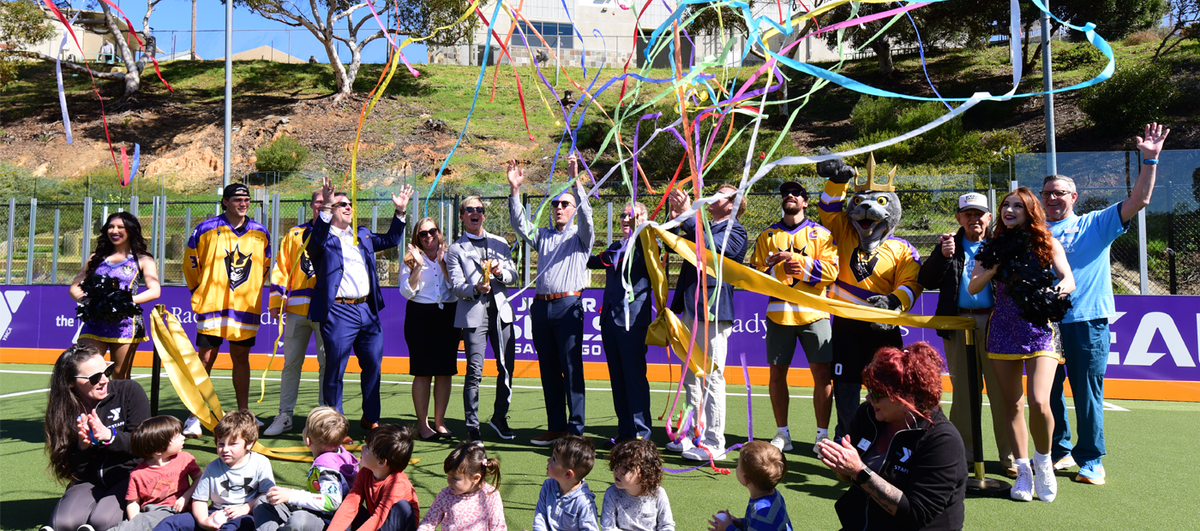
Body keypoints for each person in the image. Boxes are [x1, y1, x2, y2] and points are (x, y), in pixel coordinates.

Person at [1044, 123, 1170, 485]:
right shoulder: (1032, 230)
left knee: (1086, 391)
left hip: (1086, 320)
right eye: (1047, 193)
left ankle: (1091, 460)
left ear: (1074, 196)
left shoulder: (1095, 224)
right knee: (1046, 394)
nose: (1052, 198)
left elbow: (1139, 201)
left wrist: (1150, 160)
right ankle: (1059, 450)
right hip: (1043, 325)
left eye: (1060, 193)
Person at [968, 187, 1075, 502]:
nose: (1009, 210)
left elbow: (1068, 278)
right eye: (1005, 205)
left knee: (1040, 402)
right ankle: (1023, 471)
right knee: (1011, 404)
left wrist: (1058, 292)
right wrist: (995, 266)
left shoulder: (1047, 243)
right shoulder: (992, 247)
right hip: (1002, 328)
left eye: (1017, 206)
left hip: (1040, 326)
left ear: (1031, 211)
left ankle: (1044, 463)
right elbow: (974, 286)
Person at [916, 192, 1015, 478]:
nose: (974, 219)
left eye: (979, 213)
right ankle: (966, 456)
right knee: (964, 395)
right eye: (967, 214)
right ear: (958, 217)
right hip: (958, 324)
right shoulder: (949, 245)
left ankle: (1009, 457)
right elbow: (926, 280)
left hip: (997, 325)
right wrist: (942, 256)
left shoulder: (1001, 245)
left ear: (988, 217)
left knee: (1002, 393)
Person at [818, 342, 966, 531]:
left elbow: (916, 514)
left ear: (907, 401)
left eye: (877, 394)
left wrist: (859, 471)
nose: (868, 398)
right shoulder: (869, 415)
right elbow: (848, 476)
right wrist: (841, 464)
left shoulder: (942, 441)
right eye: (868, 390)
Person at [307, 177, 413, 430]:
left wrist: (400, 212)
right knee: (335, 370)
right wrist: (324, 207)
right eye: (341, 204)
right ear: (330, 209)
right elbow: (314, 244)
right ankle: (335, 426)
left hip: (367, 310)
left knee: (374, 366)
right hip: (339, 311)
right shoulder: (320, 237)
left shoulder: (362, 234)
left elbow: (390, 241)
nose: (347, 207)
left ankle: (371, 418)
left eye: (349, 204)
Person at [508, 154, 595, 445]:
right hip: (542, 306)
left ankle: (576, 430)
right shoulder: (543, 235)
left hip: (568, 306)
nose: (558, 208)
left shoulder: (581, 237)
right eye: (556, 204)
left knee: (571, 369)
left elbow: (587, 217)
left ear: (573, 209)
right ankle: (556, 427)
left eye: (564, 204)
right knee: (548, 369)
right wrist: (515, 191)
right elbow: (520, 225)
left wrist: (576, 181)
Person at [747, 182, 838, 454]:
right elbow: (755, 277)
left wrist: (799, 265)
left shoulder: (821, 233)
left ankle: (822, 436)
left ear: (805, 202)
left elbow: (833, 271)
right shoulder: (767, 235)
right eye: (785, 192)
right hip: (779, 315)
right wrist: (777, 270)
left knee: (823, 376)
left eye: (797, 193)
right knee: (776, 376)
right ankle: (782, 434)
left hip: (815, 314)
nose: (790, 195)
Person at [664, 185, 748, 461]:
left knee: (711, 378)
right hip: (690, 309)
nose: (710, 198)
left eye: (718, 195)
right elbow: (671, 242)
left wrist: (689, 214)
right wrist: (676, 215)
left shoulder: (736, 231)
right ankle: (690, 434)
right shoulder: (701, 227)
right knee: (690, 378)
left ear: (733, 204)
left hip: (712, 312)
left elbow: (710, 247)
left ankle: (714, 441)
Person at [182, 183, 271, 436]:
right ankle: (195, 415)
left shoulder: (260, 232)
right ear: (225, 202)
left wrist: (251, 292)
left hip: (245, 307)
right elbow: (191, 264)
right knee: (205, 359)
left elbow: (263, 267)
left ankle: (244, 414)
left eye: (246, 199)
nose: (243, 203)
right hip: (213, 304)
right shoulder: (206, 228)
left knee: (241, 358)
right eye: (237, 199)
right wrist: (202, 290)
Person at [42, 344, 151, 531]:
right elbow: (68, 468)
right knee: (62, 523)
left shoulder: (129, 391)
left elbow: (146, 445)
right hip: (89, 479)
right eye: (94, 377)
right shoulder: (64, 410)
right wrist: (82, 448)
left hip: (129, 476)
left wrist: (110, 436)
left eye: (107, 371)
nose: (104, 380)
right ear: (70, 382)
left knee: (102, 522)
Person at [446, 196, 518, 443]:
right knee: (474, 372)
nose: (475, 213)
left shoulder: (500, 243)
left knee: (506, 368)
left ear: (484, 215)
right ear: (463, 216)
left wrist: (501, 272)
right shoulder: (456, 249)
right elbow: (456, 286)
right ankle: (472, 427)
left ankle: (500, 418)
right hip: (473, 316)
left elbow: (514, 275)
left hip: (501, 313)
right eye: (469, 210)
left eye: (479, 209)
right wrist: (475, 288)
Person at [586, 202, 654, 447]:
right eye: (623, 215)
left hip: (632, 320)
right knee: (618, 378)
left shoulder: (646, 245)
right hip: (610, 321)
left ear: (643, 219)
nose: (626, 219)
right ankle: (625, 431)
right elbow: (593, 261)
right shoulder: (616, 247)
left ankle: (641, 434)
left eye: (632, 216)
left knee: (634, 377)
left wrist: (644, 230)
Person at [265, 189, 328, 437]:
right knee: (291, 364)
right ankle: (285, 415)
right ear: (311, 205)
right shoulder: (294, 234)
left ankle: (324, 418)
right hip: (297, 310)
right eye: (319, 203)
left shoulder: (339, 234)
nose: (322, 207)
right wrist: (275, 300)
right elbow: (281, 268)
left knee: (327, 365)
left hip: (326, 311)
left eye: (327, 203)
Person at [69, 212, 162, 380]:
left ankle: (119, 406)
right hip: (95, 321)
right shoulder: (95, 258)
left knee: (120, 375)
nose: (114, 230)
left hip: (125, 324)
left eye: (120, 227)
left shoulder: (142, 259)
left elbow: (154, 290)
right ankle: (88, 406)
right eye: (111, 227)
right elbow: (75, 288)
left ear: (131, 230)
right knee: (85, 367)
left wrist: (122, 302)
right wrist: (90, 302)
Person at [155, 410, 276, 531]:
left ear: (249, 444)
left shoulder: (260, 463)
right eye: (221, 444)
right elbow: (199, 500)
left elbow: (267, 495)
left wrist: (245, 508)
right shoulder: (212, 468)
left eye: (233, 444)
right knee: (171, 523)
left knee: (231, 528)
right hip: (215, 513)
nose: (225, 449)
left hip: (245, 515)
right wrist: (203, 521)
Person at [400, 217, 460, 442]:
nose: (428, 236)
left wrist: (444, 265)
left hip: (448, 316)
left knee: (445, 371)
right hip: (420, 317)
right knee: (423, 372)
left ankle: (440, 422)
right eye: (423, 233)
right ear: (417, 237)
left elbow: (456, 288)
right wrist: (418, 267)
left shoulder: (451, 255)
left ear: (438, 232)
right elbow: (407, 292)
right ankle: (423, 425)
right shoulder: (410, 259)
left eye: (432, 231)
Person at [255, 407, 359, 531]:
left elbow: (332, 502)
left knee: (299, 520)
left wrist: (292, 495)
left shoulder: (327, 468)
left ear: (308, 440)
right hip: (315, 514)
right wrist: (297, 500)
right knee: (263, 501)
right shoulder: (337, 455)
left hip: (331, 524)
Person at [114, 416, 202, 531]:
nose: (183, 437)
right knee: (137, 523)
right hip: (150, 512)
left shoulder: (185, 459)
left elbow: (199, 477)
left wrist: (185, 497)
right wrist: (136, 522)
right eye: (177, 436)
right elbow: (133, 503)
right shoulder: (138, 474)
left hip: (177, 510)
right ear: (158, 450)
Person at [327, 425, 420, 531]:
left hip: (391, 525)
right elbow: (351, 504)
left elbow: (379, 517)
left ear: (381, 462)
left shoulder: (397, 483)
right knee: (345, 500)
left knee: (402, 506)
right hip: (377, 523)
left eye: (368, 447)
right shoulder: (365, 472)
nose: (362, 447)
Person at [416, 442, 506, 530]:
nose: (449, 481)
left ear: (476, 478)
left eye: (455, 478)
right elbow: (429, 522)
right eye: (448, 475)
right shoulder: (446, 495)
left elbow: (498, 526)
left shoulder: (490, 495)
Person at [706, 440, 791, 531]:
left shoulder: (762, 514)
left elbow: (760, 523)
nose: (736, 468)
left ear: (745, 480)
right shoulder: (773, 495)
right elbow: (755, 525)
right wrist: (740, 522)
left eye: (738, 465)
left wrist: (728, 529)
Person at [601, 439, 674, 531]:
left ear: (645, 472)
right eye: (617, 464)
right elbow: (608, 527)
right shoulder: (612, 493)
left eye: (626, 468)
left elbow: (666, 526)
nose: (617, 471)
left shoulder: (658, 493)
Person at [531, 435, 599, 531]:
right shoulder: (548, 486)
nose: (548, 460)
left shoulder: (584, 502)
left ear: (568, 474)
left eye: (554, 459)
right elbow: (540, 515)